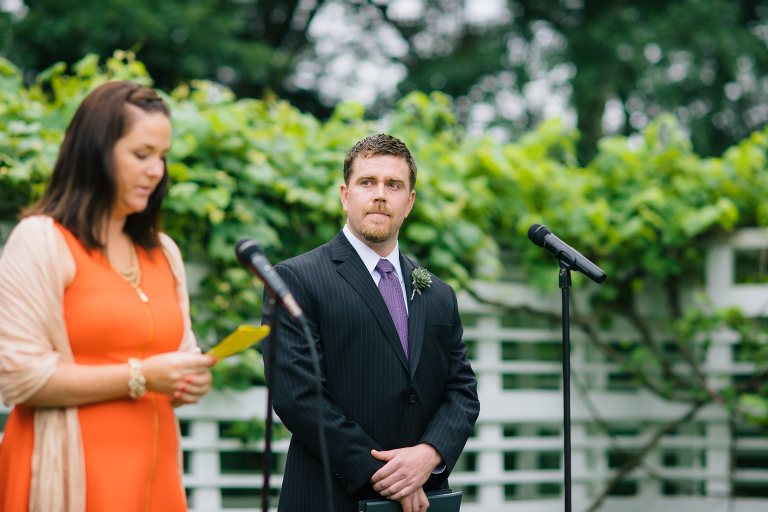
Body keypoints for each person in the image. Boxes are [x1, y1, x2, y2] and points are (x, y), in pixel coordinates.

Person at [0, 81, 216, 512]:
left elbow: (177, 354)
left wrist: (189, 380)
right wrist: (140, 377)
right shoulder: (41, 240)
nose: (156, 171)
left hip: (154, 482)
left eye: (162, 156)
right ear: (95, 151)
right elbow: (18, 375)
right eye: (141, 154)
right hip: (70, 479)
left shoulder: (164, 252)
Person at [262, 134, 480, 511]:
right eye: (368, 183)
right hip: (329, 498)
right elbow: (297, 395)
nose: (380, 195)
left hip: (424, 500)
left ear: (409, 202)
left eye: (393, 185)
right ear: (345, 195)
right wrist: (388, 475)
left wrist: (428, 455)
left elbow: (462, 390)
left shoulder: (439, 293)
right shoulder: (295, 279)